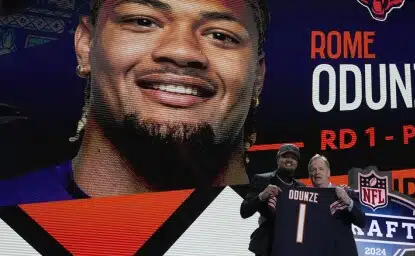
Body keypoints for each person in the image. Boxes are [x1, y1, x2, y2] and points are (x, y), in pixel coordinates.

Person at [0, 0, 269, 206]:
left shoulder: (303, 227)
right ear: (85, 45)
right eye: (143, 21)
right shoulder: (10, 212)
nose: (181, 51)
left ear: (258, 76)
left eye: (220, 35)